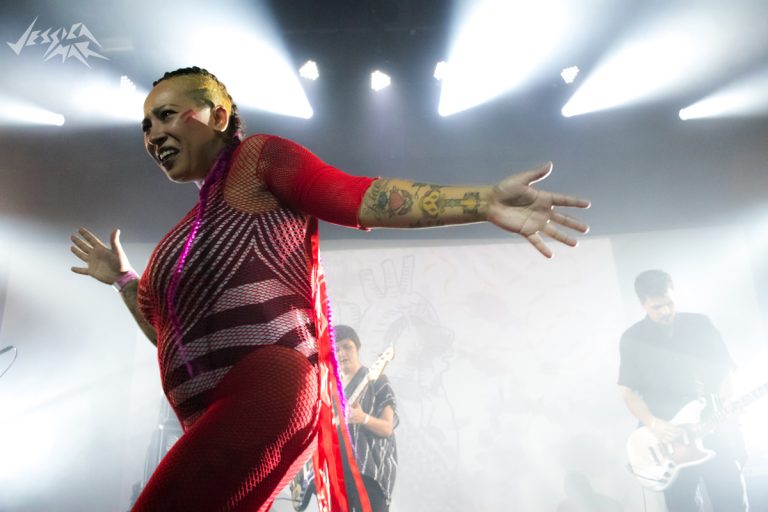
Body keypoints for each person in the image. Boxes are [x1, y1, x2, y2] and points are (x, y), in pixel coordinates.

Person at [69, 66, 589, 512]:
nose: (152, 133)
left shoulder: (255, 161)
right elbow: (169, 340)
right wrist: (123, 279)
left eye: (166, 114)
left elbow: (356, 196)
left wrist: (482, 201)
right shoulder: (177, 241)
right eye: (145, 124)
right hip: (214, 413)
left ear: (218, 117)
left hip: (267, 385)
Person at [617, 270, 748, 511]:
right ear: (642, 304)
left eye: (669, 303)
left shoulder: (700, 325)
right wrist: (653, 423)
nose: (666, 311)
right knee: (682, 506)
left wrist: (727, 401)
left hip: (713, 427)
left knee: (732, 501)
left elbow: (725, 372)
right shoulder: (632, 339)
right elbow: (629, 392)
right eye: (657, 307)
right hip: (669, 440)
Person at [333, 325, 397, 512]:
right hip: (337, 475)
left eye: (347, 346)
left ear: (358, 348)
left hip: (368, 473)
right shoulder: (330, 391)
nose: (342, 353)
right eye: (336, 349)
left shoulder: (378, 380)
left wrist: (364, 419)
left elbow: (387, 428)